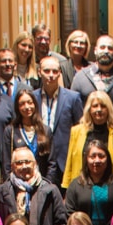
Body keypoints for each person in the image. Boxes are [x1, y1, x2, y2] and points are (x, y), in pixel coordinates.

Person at [64, 92, 113, 189]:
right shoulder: (76, 131)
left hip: (112, 190)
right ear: (89, 109)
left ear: (109, 109)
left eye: (103, 106)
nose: (99, 109)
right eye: (95, 106)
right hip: (82, 189)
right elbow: (69, 164)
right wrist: (67, 187)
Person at [35, 56, 85, 187]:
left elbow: (81, 130)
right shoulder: (32, 98)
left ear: (59, 73)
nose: (51, 75)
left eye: (55, 71)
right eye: (46, 71)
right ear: (39, 72)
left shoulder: (73, 98)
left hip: (65, 160)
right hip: (40, 158)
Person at [64, 138, 113, 225]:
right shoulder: (75, 185)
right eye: (92, 156)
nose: (97, 160)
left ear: (108, 159)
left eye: (101, 156)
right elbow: (70, 214)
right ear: (86, 159)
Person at [71, 35, 113, 130]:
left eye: (110, 48)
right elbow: (73, 109)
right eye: (102, 47)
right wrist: (87, 128)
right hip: (87, 133)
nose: (106, 51)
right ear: (95, 50)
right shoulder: (81, 77)